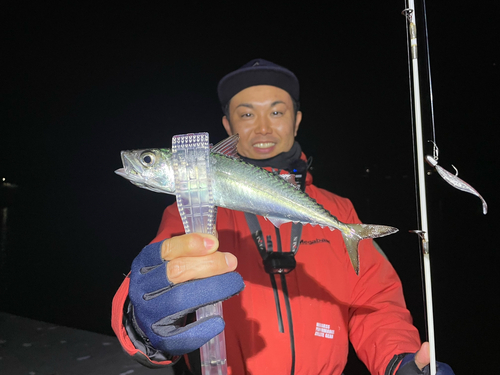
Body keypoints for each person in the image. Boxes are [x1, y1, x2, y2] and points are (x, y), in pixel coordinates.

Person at [112, 59, 454, 375]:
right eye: (246, 115)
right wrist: (140, 323)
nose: (262, 128)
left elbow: (375, 302)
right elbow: (157, 275)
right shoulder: (191, 214)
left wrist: (401, 360)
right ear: (227, 126)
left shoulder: (339, 210)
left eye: (276, 112)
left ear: (297, 120)